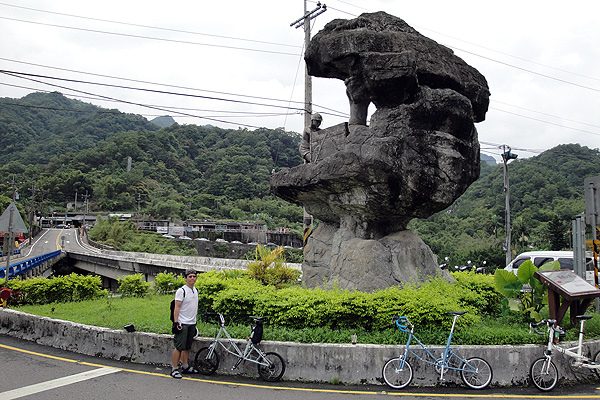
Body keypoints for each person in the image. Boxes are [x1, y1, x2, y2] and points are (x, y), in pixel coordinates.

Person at [171, 269, 199, 378]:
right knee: (179, 346)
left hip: (192, 322)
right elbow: (177, 307)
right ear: (185, 278)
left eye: (194, 276)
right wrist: (176, 322)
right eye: (190, 276)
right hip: (182, 323)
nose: (192, 278)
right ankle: (174, 369)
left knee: (187, 347)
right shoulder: (181, 291)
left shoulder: (195, 290)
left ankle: (185, 366)